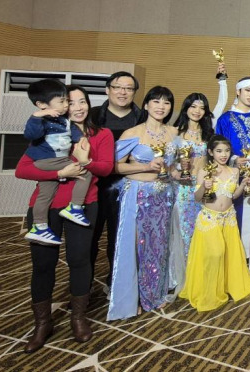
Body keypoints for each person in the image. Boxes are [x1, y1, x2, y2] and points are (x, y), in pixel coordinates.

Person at [15, 85, 114, 352]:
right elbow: (22, 170)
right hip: (46, 207)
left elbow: (106, 169)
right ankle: (42, 324)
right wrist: (61, 173)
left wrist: (85, 161)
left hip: (83, 206)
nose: (78, 107)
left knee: (80, 260)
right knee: (43, 265)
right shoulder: (48, 130)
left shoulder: (101, 134)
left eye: (83, 101)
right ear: (59, 106)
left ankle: (78, 318)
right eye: (70, 102)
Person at [107, 86, 177, 320]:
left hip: (164, 196)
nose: (161, 107)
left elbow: (176, 166)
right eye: (156, 101)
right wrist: (146, 166)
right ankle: (133, 297)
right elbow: (115, 166)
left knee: (159, 246)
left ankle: (154, 293)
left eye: (166, 102)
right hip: (139, 195)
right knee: (136, 246)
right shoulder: (132, 133)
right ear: (146, 105)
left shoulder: (174, 133)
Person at [179, 136, 250, 311]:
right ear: (211, 152)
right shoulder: (204, 171)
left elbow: (233, 196)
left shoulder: (234, 171)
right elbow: (197, 198)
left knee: (230, 254)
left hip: (228, 219)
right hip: (210, 219)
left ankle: (225, 287)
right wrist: (204, 187)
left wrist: (243, 184)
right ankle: (209, 293)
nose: (223, 155)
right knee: (215, 253)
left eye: (227, 151)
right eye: (219, 151)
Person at [89, 71, 143, 290]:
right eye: (118, 87)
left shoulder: (142, 118)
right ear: (107, 90)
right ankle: (84, 287)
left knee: (120, 239)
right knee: (88, 239)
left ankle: (116, 285)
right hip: (92, 186)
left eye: (129, 88)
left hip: (127, 187)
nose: (123, 92)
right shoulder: (92, 116)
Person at [22, 79, 91, 245]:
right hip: (50, 161)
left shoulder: (64, 120)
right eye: (62, 101)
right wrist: (36, 116)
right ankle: (75, 207)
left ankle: (39, 227)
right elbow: (31, 134)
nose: (66, 105)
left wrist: (81, 139)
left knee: (45, 195)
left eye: (67, 101)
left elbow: (73, 132)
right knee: (85, 172)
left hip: (54, 162)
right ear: (42, 104)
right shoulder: (42, 120)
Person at [214, 75, 250, 262]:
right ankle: (235, 259)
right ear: (238, 91)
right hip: (234, 175)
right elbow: (217, 147)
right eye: (247, 90)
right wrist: (233, 160)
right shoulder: (225, 119)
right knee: (237, 214)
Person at [167, 93, 213, 296]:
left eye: (202, 107)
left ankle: (202, 277)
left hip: (205, 189)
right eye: (193, 106)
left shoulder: (208, 134)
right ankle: (184, 279)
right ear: (186, 108)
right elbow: (168, 165)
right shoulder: (176, 134)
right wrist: (177, 172)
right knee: (185, 234)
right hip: (184, 190)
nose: (197, 111)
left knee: (204, 233)